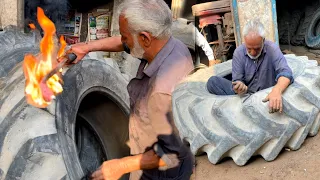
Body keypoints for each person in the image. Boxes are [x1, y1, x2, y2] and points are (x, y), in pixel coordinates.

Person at [70, 0, 194, 179]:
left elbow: (172, 154)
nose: (122, 41)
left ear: (144, 38)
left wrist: (121, 165)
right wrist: (87, 47)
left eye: (124, 36)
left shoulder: (161, 90)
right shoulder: (169, 44)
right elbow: (124, 44)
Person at [206, 20, 294, 114]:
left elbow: (286, 73)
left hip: (266, 93)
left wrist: (277, 90)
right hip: (245, 95)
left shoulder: (272, 49)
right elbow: (237, 81)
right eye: (249, 48)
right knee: (213, 82)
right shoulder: (239, 53)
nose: (252, 52)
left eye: (257, 48)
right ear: (244, 40)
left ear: (263, 41)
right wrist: (239, 87)